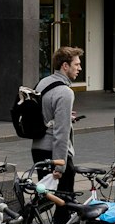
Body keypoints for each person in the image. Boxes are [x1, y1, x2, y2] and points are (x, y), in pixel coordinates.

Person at [31, 46, 81, 203]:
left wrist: (65, 117)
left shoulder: (43, 83)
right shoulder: (65, 92)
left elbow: (45, 115)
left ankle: (21, 223)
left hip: (38, 149)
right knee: (65, 202)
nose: (80, 68)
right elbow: (61, 132)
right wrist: (60, 167)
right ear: (65, 66)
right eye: (76, 64)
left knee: (44, 197)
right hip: (54, 154)